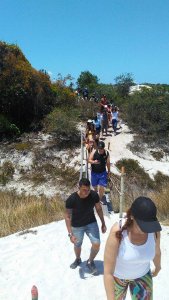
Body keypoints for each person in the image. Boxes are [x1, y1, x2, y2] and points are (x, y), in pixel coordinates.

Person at [104, 196, 162, 300]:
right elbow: (108, 272)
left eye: (150, 224)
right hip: (118, 278)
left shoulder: (154, 231)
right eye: (144, 225)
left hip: (143, 276)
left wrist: (158, 267)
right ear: (132, 216)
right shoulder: (118, 232)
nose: (148, 229)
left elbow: (156, 252)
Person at [65, 178, 107, 273]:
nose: (86, 192)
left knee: (97, 243)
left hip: (91, 222)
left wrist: (103, 223)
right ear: (78, 187)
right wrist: (70, 234)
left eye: (88, 190)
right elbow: (67, 217)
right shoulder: (71, 199)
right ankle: (78, 259)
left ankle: (90, 261)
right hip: (77, 225)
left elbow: (99, 209)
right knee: (77, 244)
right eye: (84, 190)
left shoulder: (93, 195)